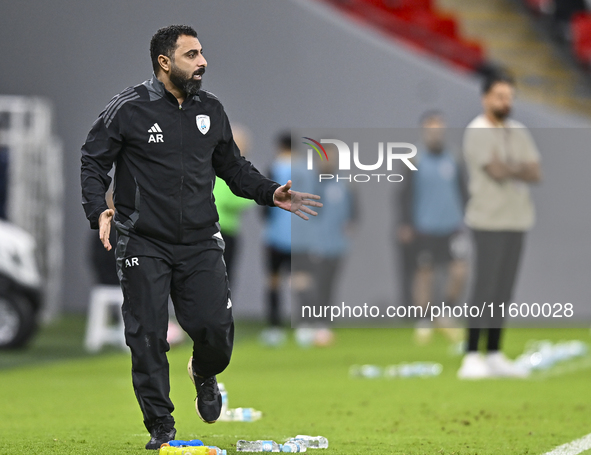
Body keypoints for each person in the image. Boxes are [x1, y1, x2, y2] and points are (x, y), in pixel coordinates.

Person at [80, 25, 321, 449]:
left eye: (201, 53)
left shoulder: (211, 109)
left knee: (216, 333)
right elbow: (92, 161)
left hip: (200, 241)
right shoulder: (127, 109)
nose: (202, 62)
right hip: (142, 241)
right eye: (191, 55)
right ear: (164, 62)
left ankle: (204, 371)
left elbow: (234, 167)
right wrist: (98, 209)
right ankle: (161, 427)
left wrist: (270, 192)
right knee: (148, 336)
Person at [458, 72, 541, 379]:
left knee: (504, 290)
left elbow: (535, 172)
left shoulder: (517, 131)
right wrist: (517, 167)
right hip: (488, 220)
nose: (506, 102)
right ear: (486, 98)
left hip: (517, 219)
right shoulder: (477, 131)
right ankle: (470, 355)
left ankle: (493, 352)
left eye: (510, 97)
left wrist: (513, 167)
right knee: (484, 288)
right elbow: (495, 170)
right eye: (500, 96)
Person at [398, 111, 468, 345]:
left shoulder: (455, 158)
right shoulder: (414, 159)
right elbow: (404, 194)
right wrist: (405, 223)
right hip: (424, 227)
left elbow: (463, 190)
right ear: (424, 131)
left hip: (453, 226)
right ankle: (424, 320)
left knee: (459, 271)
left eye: (439, 128)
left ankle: (445, 313)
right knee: (424, 274)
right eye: (431, 129)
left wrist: (468, 216)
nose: (435, 133)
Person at [260, 132, 292, 347]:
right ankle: (308, 327)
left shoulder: (272, 169)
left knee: (273, 280)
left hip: (274, 236)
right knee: (301, 281)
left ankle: (274, 328)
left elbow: (264, 205)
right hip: (299, 237)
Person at [212, 124, 256, 284]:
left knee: (225, 276)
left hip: (227, 229)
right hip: (210, 229)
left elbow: (244, 200)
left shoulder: (242, 171)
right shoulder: (215, 164)